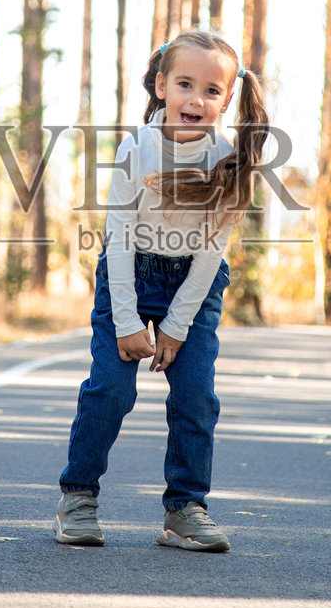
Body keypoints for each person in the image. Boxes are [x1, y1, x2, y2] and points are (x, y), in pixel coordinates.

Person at [55, 28, 271, 553]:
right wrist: (127, 321)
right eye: (184, 84)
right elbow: (120, 237)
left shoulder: (230, 160)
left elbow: (211, 253)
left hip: (193, 286)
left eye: (212, 91)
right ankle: (78, 497)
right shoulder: (137, 148)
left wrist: (176, 327)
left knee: (196, 395)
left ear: (227, 99)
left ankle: (185, 510)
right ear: (160, 86)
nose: (196, 99)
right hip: (129, 275)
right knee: (112, 388)